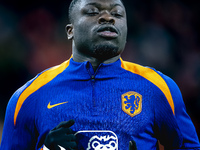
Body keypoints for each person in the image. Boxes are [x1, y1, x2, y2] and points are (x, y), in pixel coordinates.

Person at [0, 0, 200, 149]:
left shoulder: (159, 88)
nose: (108, 17)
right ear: (70, 31)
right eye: (93, 12)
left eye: (117, 14)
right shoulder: (27, 97)